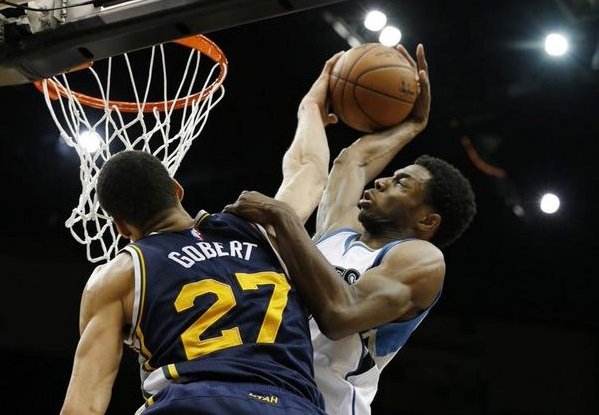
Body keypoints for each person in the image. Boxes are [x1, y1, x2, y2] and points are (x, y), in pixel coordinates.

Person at [58, 52, 345, 415]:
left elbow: (84, 405)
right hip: (286, 404)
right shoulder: (261, 226)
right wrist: (311, 106)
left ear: (121, 227)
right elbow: (310, 169)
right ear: (177, 190)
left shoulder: (117, 275)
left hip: (192, 404)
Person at [224, 43, 477, 415]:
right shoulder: (337, 232)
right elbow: (352, 161)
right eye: (390, 175)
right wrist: (409, 125)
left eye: (401, 184)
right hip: (256, 393)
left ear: (427, 220)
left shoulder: (421, 260)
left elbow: (340, 314)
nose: (382, 181)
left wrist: (283, 218)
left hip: (319, 407)